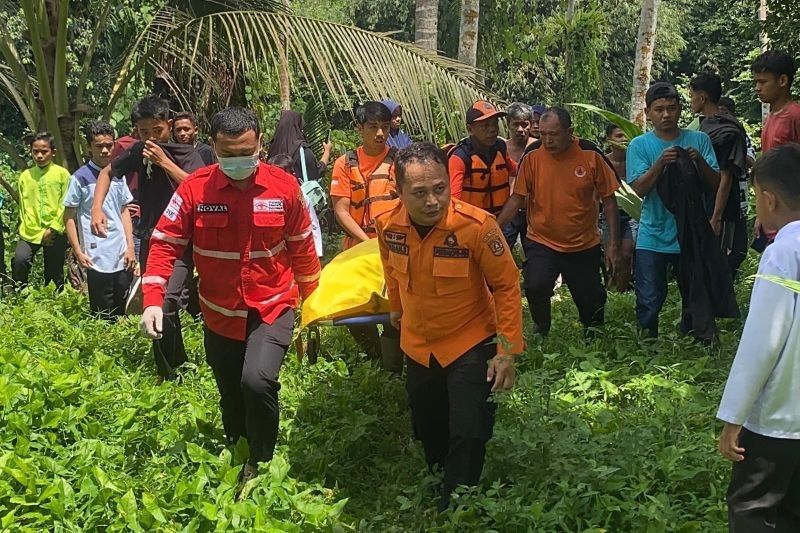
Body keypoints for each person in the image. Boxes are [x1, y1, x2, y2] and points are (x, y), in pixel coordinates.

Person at [139, 107, 321, 489]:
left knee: (256, 381)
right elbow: (164, 244)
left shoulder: (284, 188)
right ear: (213, 146)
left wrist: (315, 308)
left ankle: (261, 459)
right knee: (230, 391)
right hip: (219, 312)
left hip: (272, 305)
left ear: (260, 146)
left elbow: (303, 249)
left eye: (245, 153)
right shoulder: (195, 189)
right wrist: (153, 298)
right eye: (228, 155)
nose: (237, 162)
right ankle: (238, 449)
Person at [374, 142, 523, 511]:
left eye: (440, 189)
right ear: (399, 191)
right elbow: (391, 271)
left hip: (470, 339)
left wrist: (506, 352)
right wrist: (396, 308)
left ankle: (456, 505)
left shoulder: (477, 227)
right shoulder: (386, 225)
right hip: (418, 343)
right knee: (428, 425)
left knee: (469, 428)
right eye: (419, 193)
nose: (432, 201)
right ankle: (440, 476)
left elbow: (506, 285)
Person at [91, 95, 207, 380]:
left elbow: (200, 190)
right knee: (155, 303)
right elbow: (107, 172)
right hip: (150, 236)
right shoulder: (138, 150)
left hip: (181, 242)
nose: (151, 137)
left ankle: (174, 371)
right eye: (144, 132)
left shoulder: (188, 154)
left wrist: (164, 163)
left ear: (168, 124)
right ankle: (171, 369)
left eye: (157, 130)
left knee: (166, 302)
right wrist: (97, 209)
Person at [717, 143, 800, 531]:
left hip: (780, 419)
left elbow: (763, 342)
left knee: (752, 506)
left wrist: (734, 416)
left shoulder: (783, 251)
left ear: (769, 198)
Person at [496, 107, 620, 336]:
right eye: (542, 134)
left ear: (569, 132)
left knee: (590, 298)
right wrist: (495, 228)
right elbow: (517, 197)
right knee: (535, 284)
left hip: (583, 242)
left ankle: (593, 333)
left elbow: (609, 201)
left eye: (553, 134)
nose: (547, 140)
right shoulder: (533, 154)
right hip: (542, 239)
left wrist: (613, 243)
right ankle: (541, 326)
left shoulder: (590, 153)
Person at [626, 82, 723, 339]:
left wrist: (698, 161)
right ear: (648, 113)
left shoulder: (699, 140)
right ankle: (647, 345)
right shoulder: (639, 145)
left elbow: (715, 184)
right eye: (659, 109)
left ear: (680, 109)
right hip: (652, 235)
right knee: (648, 298)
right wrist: (660, 164)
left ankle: (693, 341)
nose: (666, 114)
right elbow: (638, 190)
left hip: (689, 235)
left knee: (694, 293)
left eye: (671, 108)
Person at [329, 101, 403, 372]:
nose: (380, 133)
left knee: (395, 309)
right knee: (354, 309)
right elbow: (341, 211)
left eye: (384, 127)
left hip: (395, 248)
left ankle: (392, 369)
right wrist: (367, 242)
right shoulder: (344, 164)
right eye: (373, 127)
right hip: (358, 249)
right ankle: (375, 360)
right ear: (360, 128)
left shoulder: (399, 161)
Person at [63, 121, 136, 318]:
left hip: (121, 251)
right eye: (99, 146)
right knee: (102, 311)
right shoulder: (80, 178)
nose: (105, 150)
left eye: (109, 145)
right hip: (96, 255)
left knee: (124, 306)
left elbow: (124, 210)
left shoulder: (118, 175)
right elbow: (69, 217)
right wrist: (78, 252)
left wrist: (130, 246)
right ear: (89, 147)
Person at [689, 73, 749, 280]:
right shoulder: (704, 126)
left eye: (692, 96)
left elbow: (726, 176)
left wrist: (716, 216)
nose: (690, 101)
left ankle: (721, 304)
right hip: (704, 200)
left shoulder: (724, 130)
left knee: (721, 257)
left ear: (703, 97)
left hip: (721, 205)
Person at [448, 101, 518, 247]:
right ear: (470, 129)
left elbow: (514, 170)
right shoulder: (460, 157)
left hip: (500, 222)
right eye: (485, 125)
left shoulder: (500, 147)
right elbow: (453, 201)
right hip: (470, 227)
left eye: (495, 124)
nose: (492, 130)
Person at [11, 132, 71, 290]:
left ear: (53, 152)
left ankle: (52, 303)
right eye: (35, 151)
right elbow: (24, 208)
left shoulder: (62, 174)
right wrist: (37, 233)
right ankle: (20, 296)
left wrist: (52, 229)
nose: (39, 155)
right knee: (20, 260)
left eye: (44, 151)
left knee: (54, 271)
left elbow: (65, 203)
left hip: (55, 231)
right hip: (30, 231)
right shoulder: (25, 176)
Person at [267, 153, 324, 257]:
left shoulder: (301, 197)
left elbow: (313, 225)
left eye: (280, 174)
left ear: (292, 174)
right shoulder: (266, 198)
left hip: (298, 252)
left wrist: (316, 252)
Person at [604, 124, 637, 291]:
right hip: (608, 216)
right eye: (618, 136)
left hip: (632, 214)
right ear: (609, 140)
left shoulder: (636, 160)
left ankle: (622, 293)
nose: (624, 139)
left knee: (626, 253)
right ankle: (610, 288)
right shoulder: (604, 162)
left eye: (626, 135)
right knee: (611, 254)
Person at [503, 102, 536, 252]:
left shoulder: (539, 148)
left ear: (531, 124)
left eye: (525, 124)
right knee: (501, 252)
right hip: (508, 212)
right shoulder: (501, 148)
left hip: (533, 212)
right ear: (508, 124)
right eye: (515, 124)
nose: (520, 130)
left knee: (535, 256)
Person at [266, 110, 332, 182]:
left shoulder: (273, 148)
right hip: (296, 191)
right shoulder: (302, 149)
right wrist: (327, 151)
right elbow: (317, 171)